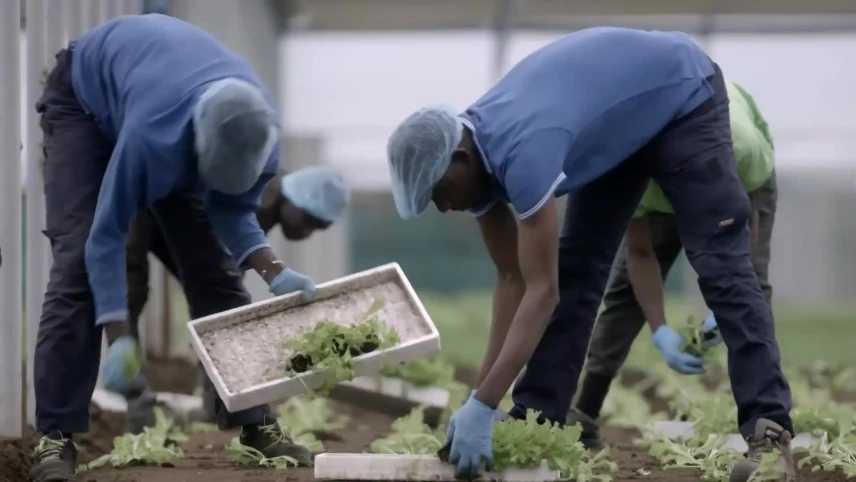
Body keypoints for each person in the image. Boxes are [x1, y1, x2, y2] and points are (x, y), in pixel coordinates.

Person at [387, 27, 794, 482]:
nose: (443, 207)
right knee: (577, 269)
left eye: (438, 193)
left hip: (682, 94)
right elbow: (512, 280)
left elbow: (542, 294)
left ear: (459, 159)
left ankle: (770, 434)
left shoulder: (524, 150)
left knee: (721, 265)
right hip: (622, 125)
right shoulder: (475, 167)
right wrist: (480, 398)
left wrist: (483, 404)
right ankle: (535, 420)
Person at [31, 14, 317, 482]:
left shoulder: (257, 134)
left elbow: (231, 209)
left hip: (169, 99)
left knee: (216, 275)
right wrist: (120, 334)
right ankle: (55, 437)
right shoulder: (153, 136)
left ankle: (257, 423)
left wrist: (273, 270)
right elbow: (106, 237)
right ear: (196, 149)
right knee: (77, 267)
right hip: (84, 103)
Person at [567, 79, 778, 449]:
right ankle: (583, 412)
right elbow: (640, 253)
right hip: (661, 187)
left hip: (729, 183)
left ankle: (766, 424)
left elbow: (746, 235)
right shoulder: (626, 162)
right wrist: (659, 329)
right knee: (625, 292)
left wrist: (723, 304)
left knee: (750, 289)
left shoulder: (738, 148)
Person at [124, 166, 349, 427]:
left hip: (182, 224)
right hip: (146, 209)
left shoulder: (270, 202)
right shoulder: (257, 194)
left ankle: (219, 403)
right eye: (309, 220)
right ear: (294, 199)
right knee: (129, 293)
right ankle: (138, 404)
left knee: (218, 301)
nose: (308, 232)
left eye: (319, 227)